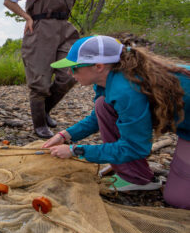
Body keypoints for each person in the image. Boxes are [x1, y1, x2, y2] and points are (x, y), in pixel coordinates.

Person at [43, 35, 190, 209]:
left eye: (74, 68)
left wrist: (76, 150)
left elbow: (135, 147)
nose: (69, 73)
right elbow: (98, 116)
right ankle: (137, 177)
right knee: (103, 105)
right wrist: (65, 135)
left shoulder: (126, 89)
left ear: (99, 66)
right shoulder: (111, 78)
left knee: (178, 199)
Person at [4, 0, 83, 138]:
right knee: (40, 80)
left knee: (70, 74)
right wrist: (27, 17)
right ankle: (39, 125)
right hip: (39, 31)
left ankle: (45, 110)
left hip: (65, 31)